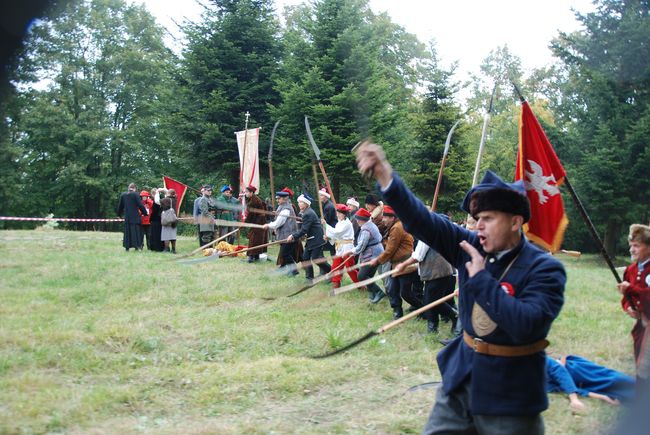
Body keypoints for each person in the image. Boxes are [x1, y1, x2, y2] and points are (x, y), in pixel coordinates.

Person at [356, 142, 566, 435]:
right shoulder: (469, 246)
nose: (479, 226)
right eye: (477, 218)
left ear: (516, 221)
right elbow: (422, 220)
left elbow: (526, 325)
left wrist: (481, 280)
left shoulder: (545, 268)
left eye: (489, 219)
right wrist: (385, 175)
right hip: (461, 379)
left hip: (511, 393)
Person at [394, 240, 458, 335]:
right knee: (431, 301)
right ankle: (432, 329)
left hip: (437, 272)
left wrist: (403, 265)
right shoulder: (435, 231)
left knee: (432, 302)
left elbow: (418, 256)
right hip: (442, 271)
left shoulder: (426, 236)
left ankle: (455, 316)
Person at [368, 205, 417, 319]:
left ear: (392, 218)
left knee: (406, 293)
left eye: (386, 217)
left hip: (405, 264)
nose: (383, 219)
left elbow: (390, 250)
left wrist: (377, 260)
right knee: (392, 289)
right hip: (395, 264)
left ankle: (422, 308)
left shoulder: (397, 228)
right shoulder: (394, 226)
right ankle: (397, 311)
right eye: (383, 216)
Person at [618, 224, 650, 388]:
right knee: (640, 365)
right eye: (631, 246)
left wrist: (631, 288)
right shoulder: (630, 270)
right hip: (641, 327)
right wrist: (628, 307)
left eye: (637, 246)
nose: (632, 250)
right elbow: (626, 298)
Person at [545, 354, 635, 412]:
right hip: (582, 384)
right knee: (617, 396)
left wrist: (574, 399)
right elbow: (564, 388)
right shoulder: (542, 386)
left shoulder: (536, 357)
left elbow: (558, 369)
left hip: (578, 370)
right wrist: (602, 397)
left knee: (617, 379)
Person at [342, 208, 385, 303]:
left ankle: (379, 292)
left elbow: (361, 245)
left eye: (358, 219)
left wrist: (350, 252)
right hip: (377, 252)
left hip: (372, 254)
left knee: (361, 276)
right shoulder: (370, 225)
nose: (356, 221)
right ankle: (372, 295)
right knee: (368, 275)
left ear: (362, 219)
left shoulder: (366, 229)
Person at [287, 194, 331, 283]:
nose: (298, 203)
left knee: (316, 259)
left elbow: (304, 230)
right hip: (311, 238)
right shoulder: (305, 212)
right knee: (305, 257)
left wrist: (293, 236)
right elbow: (304, 227)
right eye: (298, 202)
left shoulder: (308, 213)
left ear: (306, 204)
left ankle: (332, 272)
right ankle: (309, 278)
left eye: (300, 202)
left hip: (317, 239)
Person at [322, 204, 359, 289]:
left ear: (344, 214)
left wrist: (326, 225)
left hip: (347, 248)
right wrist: (329, 237)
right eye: (337, 213)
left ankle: (360, 285)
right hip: (340, 247)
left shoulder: (347, 223)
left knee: (350, 268)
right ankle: (336, 284)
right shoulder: (339, 223)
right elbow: (337, 236)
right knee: (335, 267)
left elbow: (336, 232)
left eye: (339, 213)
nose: (337, 215)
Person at [263, 189, 299, 275]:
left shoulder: (286, 209)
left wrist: (268, 225)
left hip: (288, 236)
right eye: (277, 198)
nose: (277, 200)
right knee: (284, 253)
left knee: (285, 254)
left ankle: (294, 271)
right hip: (285, 236)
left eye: (279, 198)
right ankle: (284, 268)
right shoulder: (282, 207)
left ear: (284, 199)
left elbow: (278, 223)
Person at [116, 182, 148, 251]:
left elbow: (120, 206)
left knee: (127, 233)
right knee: (135, 232)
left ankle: (127, 248)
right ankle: (136, 247)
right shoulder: (136, 194)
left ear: (129, 188)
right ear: (134, 188)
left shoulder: (123, 195)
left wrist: (119, 215)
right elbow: (140, 205)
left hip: (127, 217)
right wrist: (145, 213)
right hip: (135, 217)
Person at [244, 185, 268, 262]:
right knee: (258, 239)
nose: (245, 193)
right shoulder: (255, 198)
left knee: (253, 239)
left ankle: (251, 257)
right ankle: (256, 256)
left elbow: (251, 214)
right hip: (260, 221)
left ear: (251, 192)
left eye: (247, 192)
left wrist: (246, 222)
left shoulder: (253, 201)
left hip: (258, 221)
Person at [319, 188, 337, 256]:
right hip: (329, 228)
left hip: (331, 229)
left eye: (321, 195)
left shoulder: (328, 206)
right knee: (332, 250)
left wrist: (317, 222)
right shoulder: (326, 205)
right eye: (319, 195)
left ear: (326, 196)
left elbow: (326, 220)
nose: (320, 197)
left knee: (333, 250)